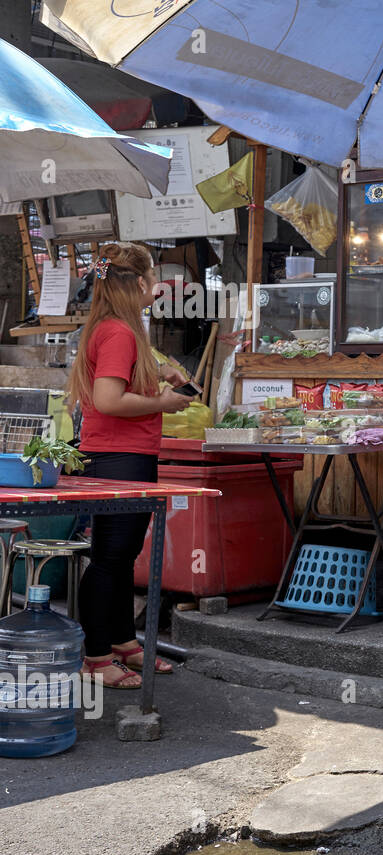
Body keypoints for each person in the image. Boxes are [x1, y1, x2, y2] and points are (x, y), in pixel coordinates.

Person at [65, 242, 194, 689]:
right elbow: (108, 399)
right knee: (109, 559)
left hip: (119, 456)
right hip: (118, 458)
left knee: (120, 558)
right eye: (153, 276)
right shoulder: (119, 331)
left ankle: (122, 641)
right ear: (141, 282)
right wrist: (164, 402)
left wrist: (163, 370)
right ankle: (96, 658)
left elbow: (118, 380)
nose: (155, 285)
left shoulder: (114, 326)